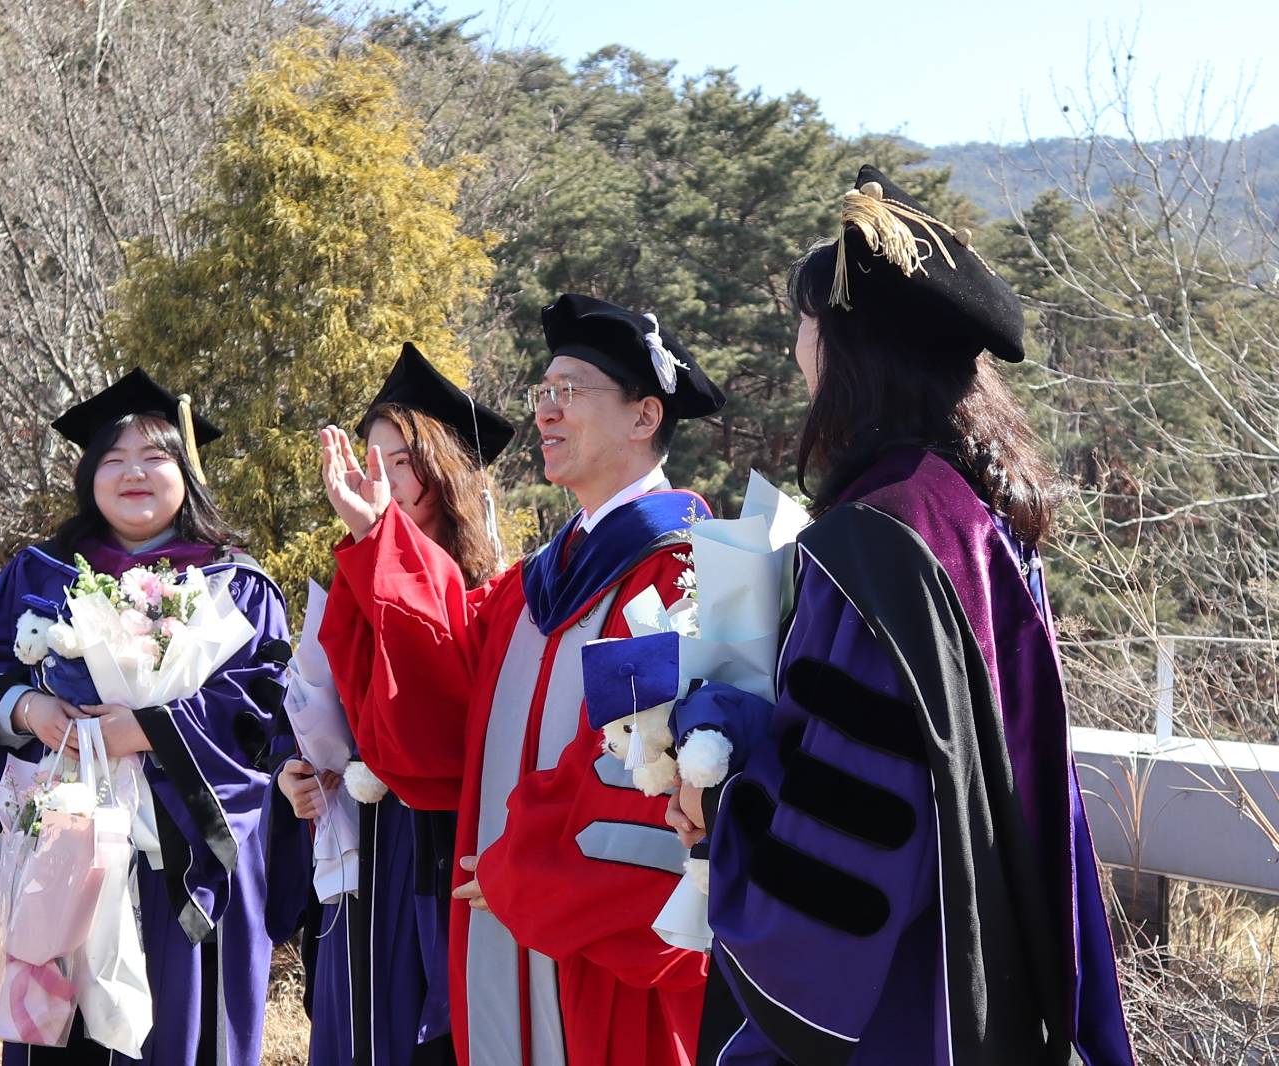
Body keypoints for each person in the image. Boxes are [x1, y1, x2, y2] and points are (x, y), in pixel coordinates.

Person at [666, 166, 1135, 1064]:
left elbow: (855, 830)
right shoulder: (973, 515)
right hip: (996, 942)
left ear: (852, 350)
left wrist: (722, 798)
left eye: (807, 325)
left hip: (906, 992)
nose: (798, 348)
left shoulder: (877, 543)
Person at [318, 295, 727, 1066]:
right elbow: (444, 695)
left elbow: (640, 772)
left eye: (568, 392)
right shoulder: (531, 586)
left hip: (598, 957)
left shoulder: (685, 574)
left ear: (644, 418)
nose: (544, 412)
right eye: (542, 393)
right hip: (502, 920)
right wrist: (379, 540)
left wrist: (521, 867)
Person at [0, 368, 289, 1066]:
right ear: (88, 474)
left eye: (155, 457)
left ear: (187, 473)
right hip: (67, 850)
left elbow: (266, 716)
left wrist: (150, 730)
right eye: (113, 458)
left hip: (185, 856)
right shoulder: (35, 578)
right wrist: (25, 708)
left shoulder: (235, 584)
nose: (134, 473)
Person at [264, 341, 514, 1066]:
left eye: (401, 460)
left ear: (446, 469)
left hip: (438, 857)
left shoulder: (494, 591)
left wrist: (380, 538)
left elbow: (438, 711)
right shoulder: (352, 581)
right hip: (359, 853)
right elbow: (317, 711)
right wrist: (297, 775)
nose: (380, 477)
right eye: (370, 456)